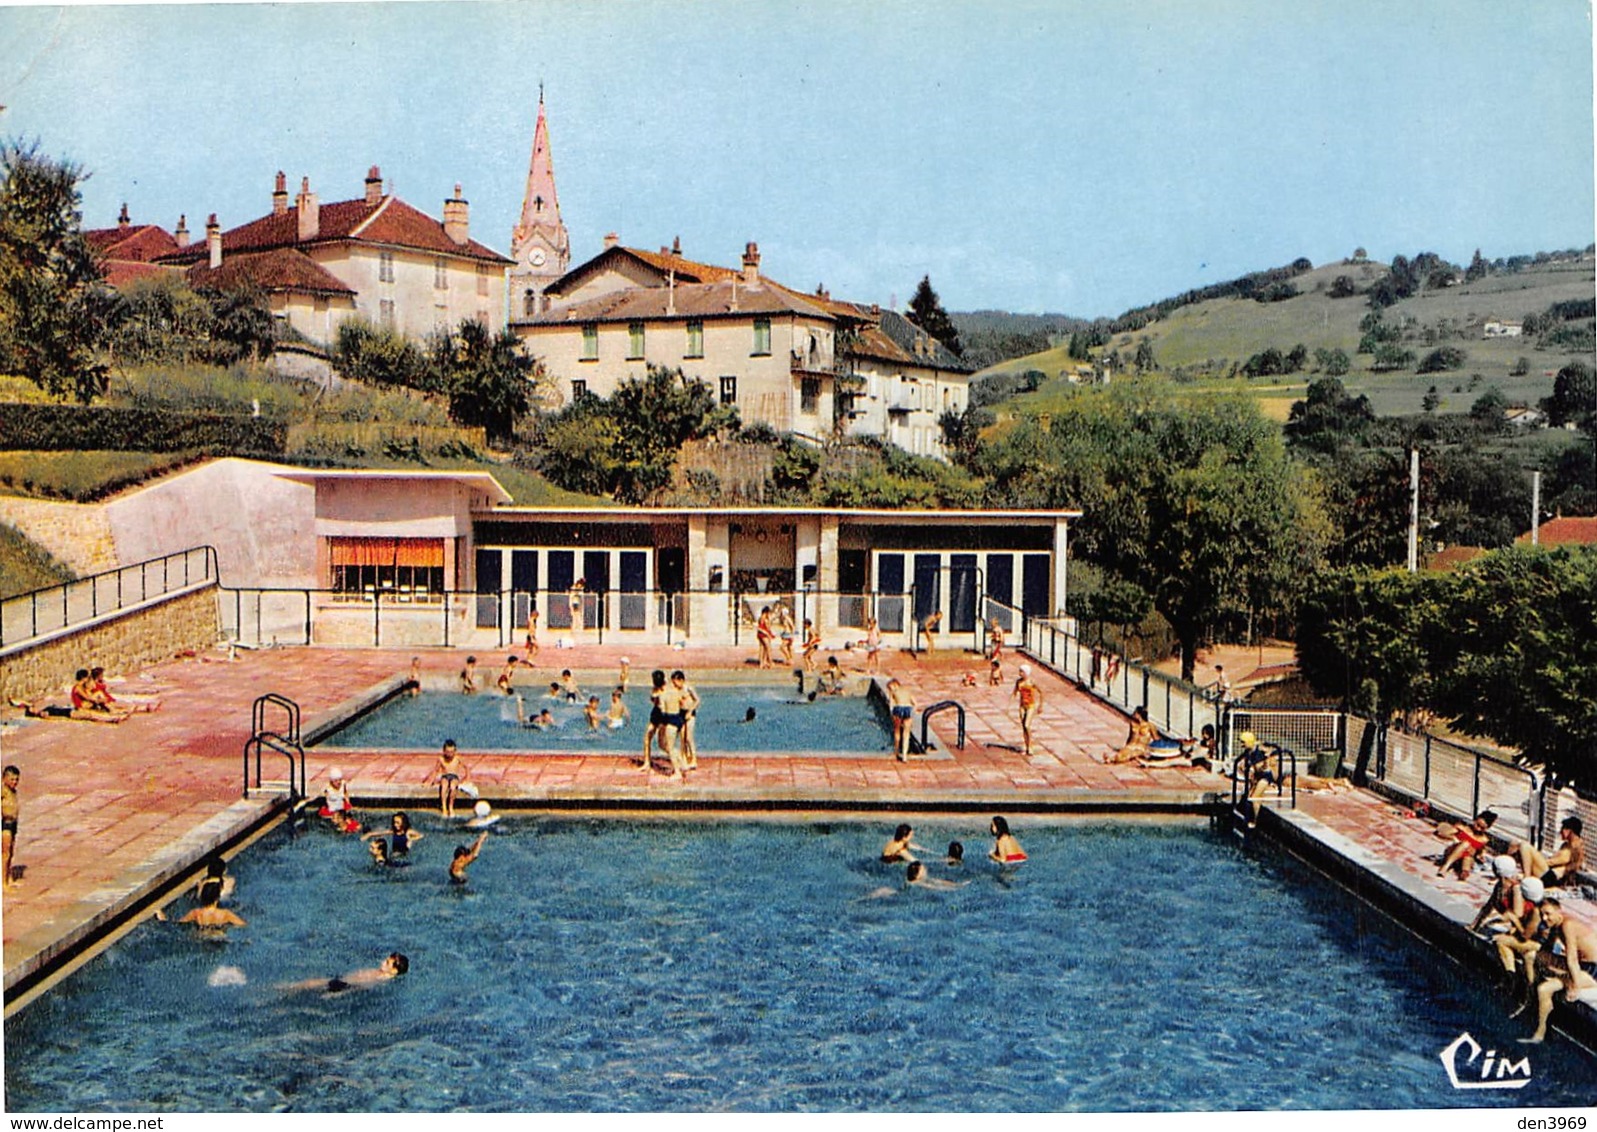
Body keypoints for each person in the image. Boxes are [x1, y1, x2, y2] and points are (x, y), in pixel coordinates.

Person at [1520, 899, 1597, 1043]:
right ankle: (1529, 998)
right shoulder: (1557, 924)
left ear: (1558, 912)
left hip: (1591, 970)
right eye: (1542, 915)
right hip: (1582, 965)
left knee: (1544, 989)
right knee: (1531, 956)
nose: (1544, 918)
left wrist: (1575, 986)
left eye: (1548, 914)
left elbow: (1572, 959)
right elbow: (1547, 948)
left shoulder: (1567, 926)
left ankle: (1540, 1032)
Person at [1510, 816, 1586, 890]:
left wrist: (1533, 860)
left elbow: (1552, 862)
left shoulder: (1575, 847)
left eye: (1562, 829)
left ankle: (1527, 879)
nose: (1560, 832)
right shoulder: (1566, 845)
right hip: (1548, 872)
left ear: (1570, 831)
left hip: (1551, 877)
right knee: (1515, 844)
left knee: (1525, 846)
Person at [281, 953, 409, 995]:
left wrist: (340, 993)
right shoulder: (381, 974)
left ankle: (286, 988)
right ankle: (288, 988)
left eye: (387, 963)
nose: (382, 962)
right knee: (310, 984)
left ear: (394, 971)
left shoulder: (382, 978)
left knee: (309, 985)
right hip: (342, 981)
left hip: (343, 985)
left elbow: (361, 987)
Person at [1437, 810, 1498, 879]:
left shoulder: (1484, 840)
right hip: (1452, 852)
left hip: (1465, 858)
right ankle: (1445, 866)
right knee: (1466, 844)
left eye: (1482, 828)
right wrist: (1454, 838)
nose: (1478, 829)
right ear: (1475, 820)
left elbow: (1480, 853)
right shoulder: (1462, 828)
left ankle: (1464, 872)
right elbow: (1441, 832)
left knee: (1468, 856)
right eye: (1477, 825)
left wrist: (1479, 856)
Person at [656, 669, 688, 780]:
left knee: (669, 747)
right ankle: (681, 762)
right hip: (678, 719)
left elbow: (662, 711)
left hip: (670, 720)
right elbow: (683, 704)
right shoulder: (677, 692)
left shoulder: (663, 695)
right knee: (665, 746)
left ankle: (677, 772)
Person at [425, 740, 467, 818]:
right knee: (444, 787)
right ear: (444, 751)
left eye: (451, 752)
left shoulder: (457, 758)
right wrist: (431, 781)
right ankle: (444, 807)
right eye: (447, 752)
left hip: (454, 776)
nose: (450, 754)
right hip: (445, 776)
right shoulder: (441, 759)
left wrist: (467, 778)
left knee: (453, 787)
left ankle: (451, 807)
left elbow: (466, 767)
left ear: (455, 751)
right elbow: (436, 770)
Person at [1013, 664, 1042, 757]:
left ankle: (1030, 746)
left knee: (1027, 725)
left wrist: (1041, 705)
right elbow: (1015, 692)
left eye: (1022, 672)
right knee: (1023, 727)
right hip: (1022, 706)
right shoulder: (1018, 682)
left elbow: (1041, 692)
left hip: (1030, 706)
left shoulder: (1032, 682)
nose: (1020, 673)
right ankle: (1026, 746)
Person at [642, 670, 667, 773]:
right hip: (655, 713)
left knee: (662, 744)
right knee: (647, 738)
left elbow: (664, 704)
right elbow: (653, 700)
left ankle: (678, 758)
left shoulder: (666, 689)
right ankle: (647, 762)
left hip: (663, 714)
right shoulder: (655, 688)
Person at [674, 670, 700, 770]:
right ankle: (684, 757)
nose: (675, 685)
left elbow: (697, 701)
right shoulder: (676, 690)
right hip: (681, 713)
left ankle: (694, 759)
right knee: (682, 737)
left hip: (690, 713)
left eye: (676, 682)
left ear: (681, 680)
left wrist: (690, 711)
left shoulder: (688, 688)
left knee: (689, 737)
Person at [885, 678, 915, 761]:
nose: (889, 690)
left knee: (897, 731)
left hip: (898, 708)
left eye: (890, 688)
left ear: (895, 685)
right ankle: (905, 755)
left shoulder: (893, 692)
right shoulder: (907, 690)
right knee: (906, 733)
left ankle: (897, 751)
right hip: (908, 709)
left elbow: (891, 704)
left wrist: (892, 714)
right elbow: (915, 703)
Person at [2, 765, 19, 888]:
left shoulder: (14, 792)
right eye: (12, 779)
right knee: (5, 853)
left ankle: (9, 876)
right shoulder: (3, 791)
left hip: (13, 824)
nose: (14, 782)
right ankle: (3, 882)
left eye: (16, 779)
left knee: (11, 852)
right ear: (4, 779)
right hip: (6, 825)